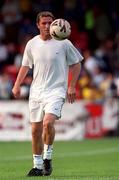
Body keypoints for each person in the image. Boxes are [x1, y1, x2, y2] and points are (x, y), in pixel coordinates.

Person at [12, 11, 83, 177]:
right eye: (43, 23)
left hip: (56, 90)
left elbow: (77, 64)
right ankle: (37, 166)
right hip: (36, 91)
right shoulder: (31, 44)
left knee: (48, 123)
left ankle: (47, 158)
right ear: (38, 25)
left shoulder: (64, 42)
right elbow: (25, 65)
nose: (47, 26)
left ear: (54, 23)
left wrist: (71, 86)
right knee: (35, 130)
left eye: (50, 22)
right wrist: (17, 85)